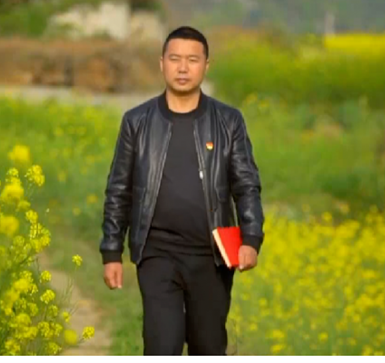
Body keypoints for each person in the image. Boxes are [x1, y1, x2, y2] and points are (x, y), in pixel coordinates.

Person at [99, 26, 264, 356]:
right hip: (157, 253)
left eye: (192, 60)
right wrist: (111, 252)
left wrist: (251, 238)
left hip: (212, 256)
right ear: (162, 63)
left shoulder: (228, 121)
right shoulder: (137, 121)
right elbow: (119, 190)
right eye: (175, 59)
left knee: (208, 346)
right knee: (162, 346)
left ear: (206, 65)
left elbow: (246, 184)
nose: (183, 68)